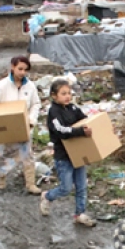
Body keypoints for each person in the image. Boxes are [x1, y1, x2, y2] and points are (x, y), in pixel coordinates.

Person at [39, 80, 95, 227]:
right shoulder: (54, 112)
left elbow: (85, 120)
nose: (67, 96)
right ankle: (48, 196)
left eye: (69, 93)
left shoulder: (73, 108)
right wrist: (80, 131)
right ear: (54, 96)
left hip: (78, 153)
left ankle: (79, 214)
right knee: (66, 188)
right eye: (63, 93)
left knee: (82, 186)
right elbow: (61, 131)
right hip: (63, 156)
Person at [0, 55, 42, 194]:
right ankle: (1, 179)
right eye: (20, 69)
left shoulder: (30, 86)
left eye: (25, 70)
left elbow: (36, 104)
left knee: (28, 155)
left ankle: (30, 184)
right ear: (12, 67)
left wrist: (32, 120)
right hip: (7, 128)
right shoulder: (2, 86)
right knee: (5, 154)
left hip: (24, 127)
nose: (22, 72)